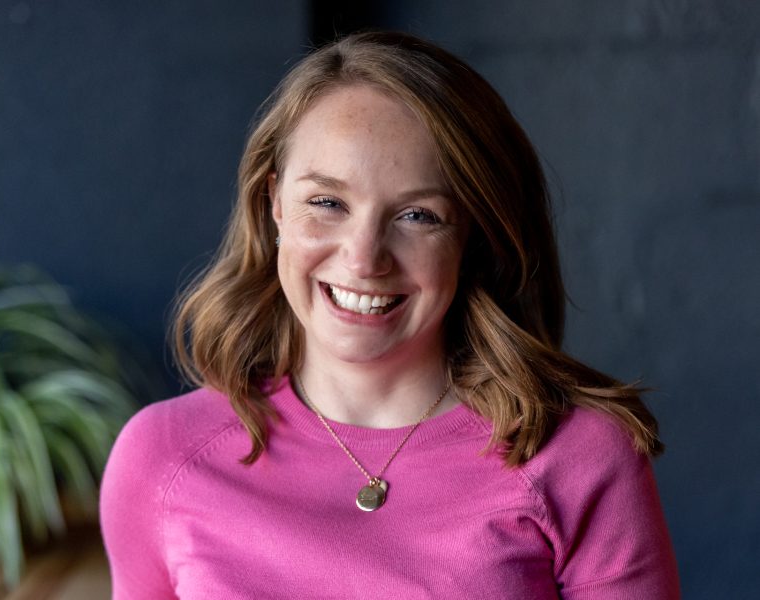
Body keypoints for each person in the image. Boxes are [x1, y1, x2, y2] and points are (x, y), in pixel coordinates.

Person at [100, 31, 680, 599]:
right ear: (274, 203)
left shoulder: (580, 456)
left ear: (475, 236)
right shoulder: (163, 456)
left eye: (418, 216)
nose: (363, 258)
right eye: (326, 203)